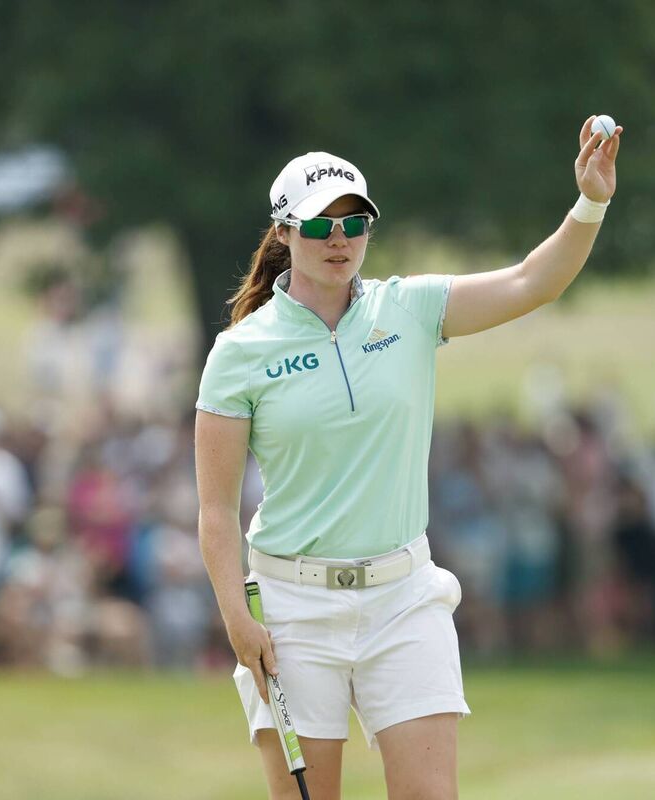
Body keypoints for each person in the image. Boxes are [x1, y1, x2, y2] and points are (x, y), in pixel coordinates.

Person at [195, 118, 622, 800]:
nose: (338, 239)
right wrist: (235, 618)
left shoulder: (410, 308)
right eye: (317, 225)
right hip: (292, 608)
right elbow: (215, 511)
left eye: (353, 222)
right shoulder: (241, 351)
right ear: (282, 232)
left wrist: (591, 202)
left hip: (403, 597)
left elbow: (532, 282)